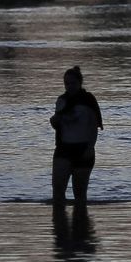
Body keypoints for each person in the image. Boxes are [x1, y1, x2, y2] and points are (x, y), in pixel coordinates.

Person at [49, 66, 103, 205]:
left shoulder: (88, 100)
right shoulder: (62, 100)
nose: (70, 86)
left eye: (72, 83)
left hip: (83, 149)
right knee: (58, 191)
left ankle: (81, 223)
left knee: (80, 194)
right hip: (63, 148)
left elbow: (94, 127)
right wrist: (54, 121)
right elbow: (58, 125)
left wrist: (90, 148)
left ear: (80, 83)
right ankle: (59, 224)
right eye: (67, 83)